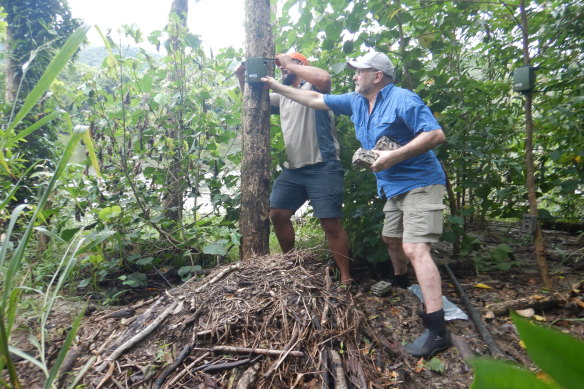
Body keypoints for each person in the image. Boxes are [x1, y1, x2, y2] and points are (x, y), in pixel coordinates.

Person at [261, 51, 450, 357]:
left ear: (377, 76)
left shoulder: (403, 99)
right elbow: (312, 101)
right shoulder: (357, 101)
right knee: (391, 239)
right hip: (392, 185)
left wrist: (392, 156)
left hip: (421, 182)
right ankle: (401, 283)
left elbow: (435, 134)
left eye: (359, 71)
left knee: (416, 248)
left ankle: (437, 329)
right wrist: (275, 84)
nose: (353, 75)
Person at [234, 53, 352, 285]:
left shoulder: (315, 88)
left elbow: (324, 77)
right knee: (277, 214)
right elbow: (256, 104)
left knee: (331, 223)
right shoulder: (283, 95)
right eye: (280, 68)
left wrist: (289, 63)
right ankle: (290, 264)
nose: (282, 71)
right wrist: (242, 79)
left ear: (301, 66)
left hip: (323, 165)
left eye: (286, 67)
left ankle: (346, 278)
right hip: (294, 170)